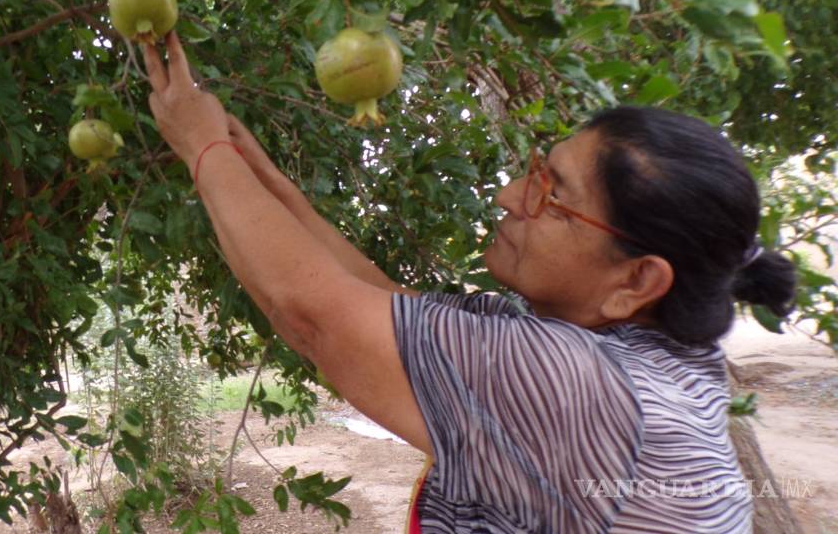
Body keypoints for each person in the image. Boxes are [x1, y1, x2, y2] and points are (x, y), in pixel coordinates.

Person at [141, 32, 797, 533]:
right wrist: (247, 164)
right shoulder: (633, 364)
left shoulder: (591, 391)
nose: (513, 195)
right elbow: (378, 300)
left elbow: (317, 316)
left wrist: (202, 148)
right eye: (537, 170)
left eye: (551, 193)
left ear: (636, 281)